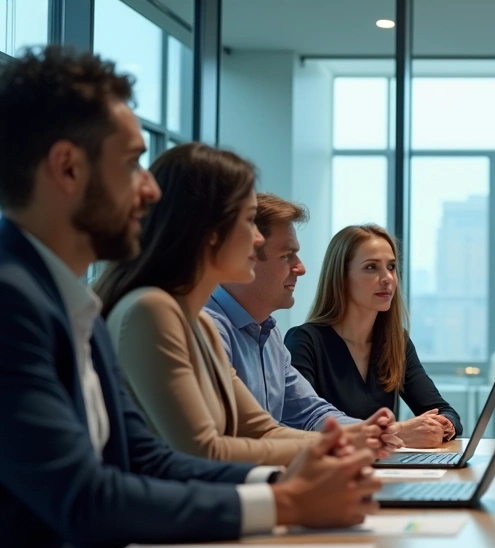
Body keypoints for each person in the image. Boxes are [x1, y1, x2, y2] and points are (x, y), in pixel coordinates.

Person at [0, 47, 380, 548]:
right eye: (132, 163)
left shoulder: (71, 304)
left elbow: (148, 461)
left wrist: (289, 486)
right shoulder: (13, 303)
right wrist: (289, 503)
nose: (149, 190)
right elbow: (84, 497)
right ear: (67, 167)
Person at [95, 144, 399, 467]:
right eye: (250, 221)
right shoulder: (153, 312)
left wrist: (355, 438)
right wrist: (334, 448)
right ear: (211, 232)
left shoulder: (197, 324)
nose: (257, 239)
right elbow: (205, 453)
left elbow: (262, 430)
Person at [205, 195, 446, 448]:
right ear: (241, 258)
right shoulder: (207, 329)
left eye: (392, 267)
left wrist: (375, 435)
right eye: (287, 256)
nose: (300, 268)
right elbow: (238, 440)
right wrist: (384, 435)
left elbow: (312, 414)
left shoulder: (269, 334)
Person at [285, 224, 462, 439]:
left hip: (384, 468)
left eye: (392, 267)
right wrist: (399, 432)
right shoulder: (305, 341)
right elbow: (301, 425)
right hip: (333, 469)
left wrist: (443, 425)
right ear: (341, 277)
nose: (387, 278)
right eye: (371, 267)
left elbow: (444, 410)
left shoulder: (396, 341)